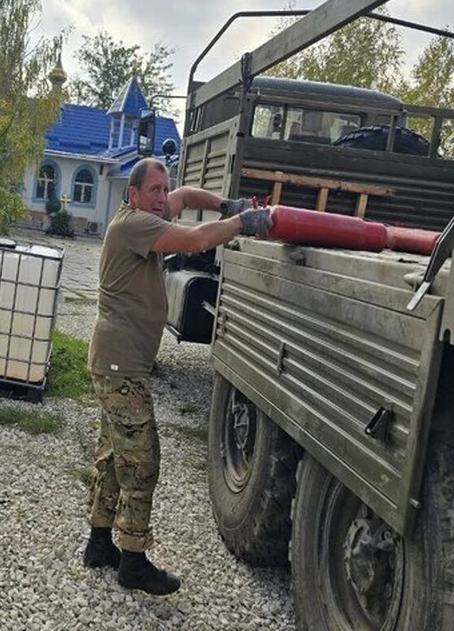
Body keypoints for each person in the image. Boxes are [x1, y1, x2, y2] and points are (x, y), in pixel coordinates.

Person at [83, 157, 272, 595]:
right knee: (143, 461)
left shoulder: (144, 217)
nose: (161, 198)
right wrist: (244, 221)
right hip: (120, 368)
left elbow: (186, 198)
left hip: (117, 363)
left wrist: (226, 202)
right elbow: (197, 237)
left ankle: (98, 543)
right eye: (153, 190)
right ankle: (132, 561)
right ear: (132, 195)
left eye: (162, 189)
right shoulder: (134, 225)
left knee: (115, 456)